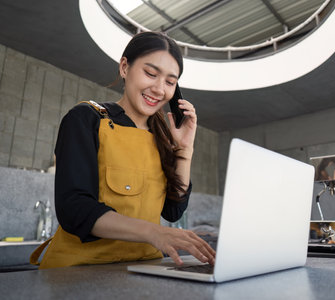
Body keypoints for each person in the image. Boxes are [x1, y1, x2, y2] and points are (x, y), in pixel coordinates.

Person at [30, 31, 215, 269]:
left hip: (144, 270)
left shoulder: (163, 138)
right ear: (125, 67)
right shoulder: (86, 118)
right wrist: (153, 233)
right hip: (79, 271)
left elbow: (173, 210)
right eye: (150, 73)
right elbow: (74, 209)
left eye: (170, 82)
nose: (160, 89)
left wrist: (184, 150)